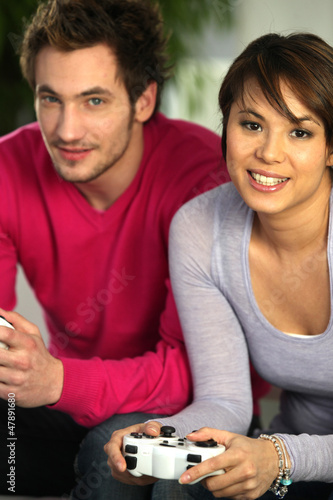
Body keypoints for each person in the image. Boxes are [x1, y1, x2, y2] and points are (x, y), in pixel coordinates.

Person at [0, 0, 270, 497]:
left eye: (94, 101)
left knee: (113, 461)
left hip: (183, 406)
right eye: (50, 99)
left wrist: (59, 381)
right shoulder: (8, 166)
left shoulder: (204, 182)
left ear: (144, 100)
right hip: (66, 395)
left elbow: (200, 376)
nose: (66, 130)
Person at [105, 32, 333, 500]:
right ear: (226, 125)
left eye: (300, 131)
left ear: (331, 149)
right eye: (251, 125)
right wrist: (160, 437)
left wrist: (279, 456)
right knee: (177, 485)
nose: (268, 153)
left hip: (289, 456)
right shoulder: (199, 227)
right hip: (291, 465)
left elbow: (278, 457)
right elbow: (225, 400)